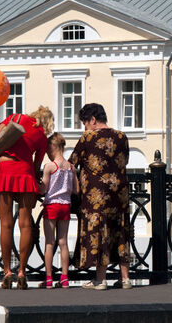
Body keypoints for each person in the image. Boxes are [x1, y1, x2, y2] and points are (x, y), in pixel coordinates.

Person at [70, 103, 132, 290]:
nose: (85, 128)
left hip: (96, 195)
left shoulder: (88, 137)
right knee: (121, 232)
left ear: (93, 120)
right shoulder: (122, 136)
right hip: (119, 193)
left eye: (85, 123)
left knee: (100, 233)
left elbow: (72, 162)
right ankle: (126, 279)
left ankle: (101, 279)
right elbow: (125, 160)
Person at [0, 105, 54, 290]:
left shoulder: (17, 118)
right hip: (26, 174)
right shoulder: (42, 137)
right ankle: (21, 271)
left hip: (5, 170)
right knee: (25, 224)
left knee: (6, 223)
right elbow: (37, 164)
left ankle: (7, 272)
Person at [39, 133, 79, 289]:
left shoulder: (49, 166)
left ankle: (48, 278)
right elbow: (76, 189)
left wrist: (38, 187)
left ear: (52, 147)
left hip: (51, 206)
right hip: (65, 206)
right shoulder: (71, 167)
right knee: (63, 242)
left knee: (50, 242)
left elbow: (44, 189)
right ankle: (64, 278)